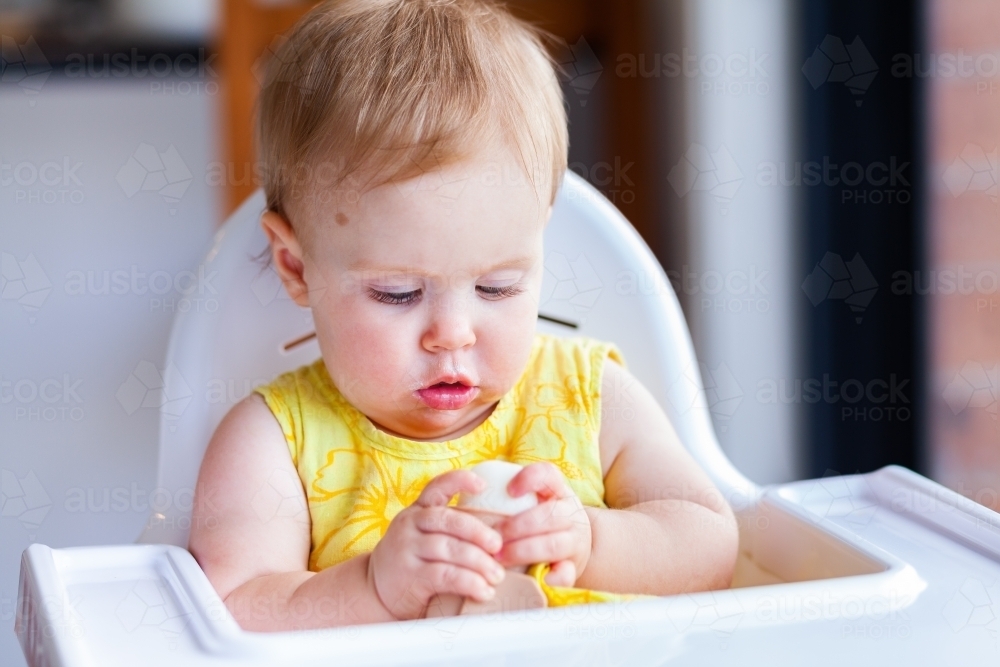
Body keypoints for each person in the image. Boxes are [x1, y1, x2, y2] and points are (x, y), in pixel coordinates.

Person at [188, 0, 738, 631]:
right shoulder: (273, 442)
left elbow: (713, 545)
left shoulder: (590, 397)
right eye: (398, 293)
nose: (453, 333)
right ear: (295, 267)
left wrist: (592, 543)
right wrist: (373, 588)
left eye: (498, 286)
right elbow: (230, 612)